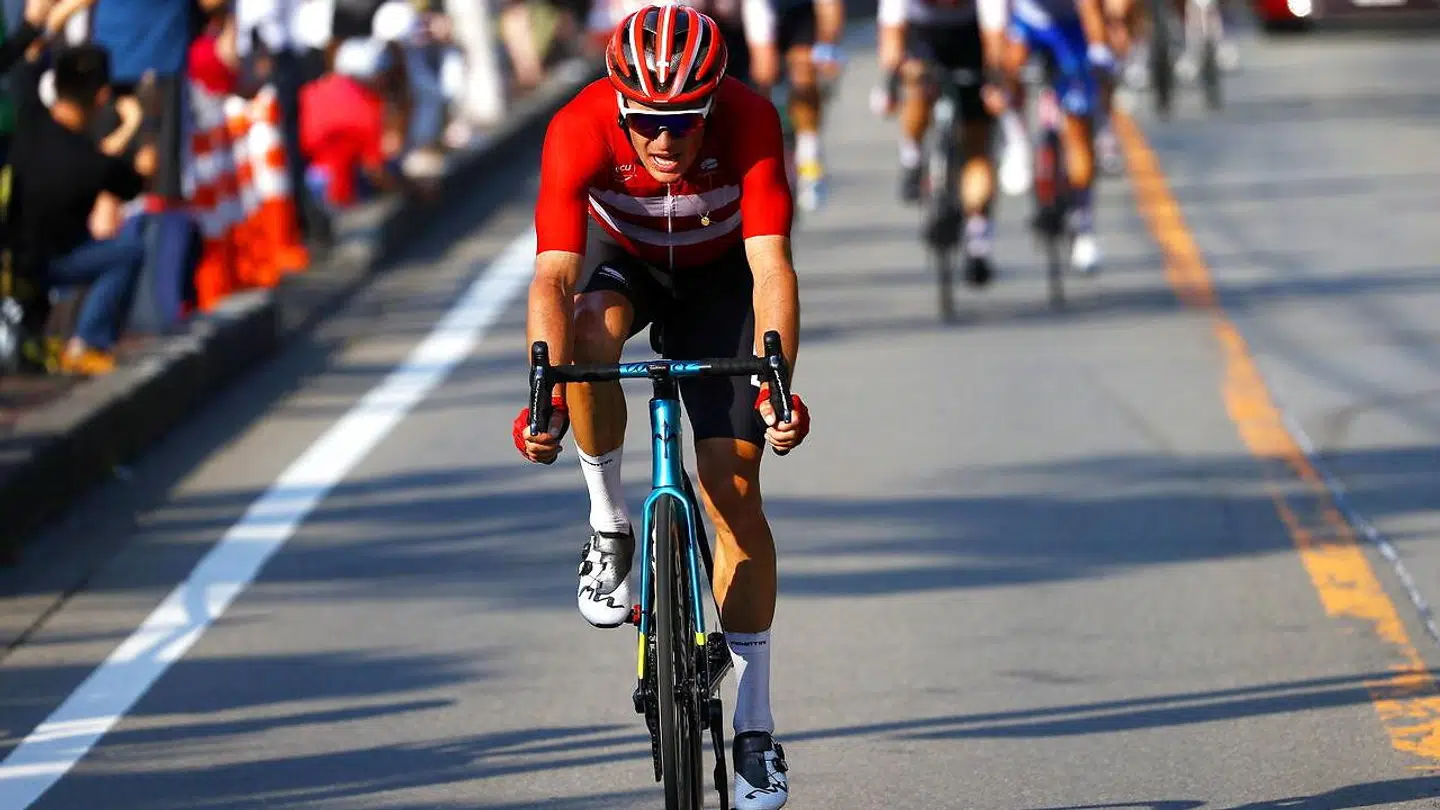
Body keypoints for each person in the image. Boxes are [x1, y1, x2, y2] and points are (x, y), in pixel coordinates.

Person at [511, 5, 810, 807]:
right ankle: (609, 525)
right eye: (647, 122)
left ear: (713, 102)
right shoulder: (577, 127)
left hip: (723, 279)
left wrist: (778, 379)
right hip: (628, 263)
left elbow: (773, 268)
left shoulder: (750, 119)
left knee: (732, 492)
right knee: (586, 335)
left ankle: (753, 730)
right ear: (618, 104)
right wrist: (542, 393)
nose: (666, 142)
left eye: (684, 122)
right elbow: (550, 279)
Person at [9, 43, 155, 374]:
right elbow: (134, 181)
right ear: (102, 97)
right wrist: (136, 125)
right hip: (50, 266)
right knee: (128, 250)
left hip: (12, 256)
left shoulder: (28, 121)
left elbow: (21, 68)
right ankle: (90, 341)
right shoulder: (89, 162)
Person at [870, 0, 1009, 287]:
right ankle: (913, 155)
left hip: (971, 36)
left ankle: (978, 238)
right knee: (917, 86)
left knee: (977, 143)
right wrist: (890, 83)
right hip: (923, 35)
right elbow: (892, 39)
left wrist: (995, 81)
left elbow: (995, 39)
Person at [996, 0, 1111, 273]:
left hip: (1071, 27)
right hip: (1027, 23)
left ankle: (1084, 229)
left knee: (1078, 133)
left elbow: (1091, 9)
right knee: (1006, 73)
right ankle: (1017, 143)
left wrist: (1098, 49)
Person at [741, 0, 844, 212]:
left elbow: (830, 8)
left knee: (805, 72)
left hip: (800, 11)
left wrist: (827, 47)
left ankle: (810, 155)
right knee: (762, 76)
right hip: (756, 9)